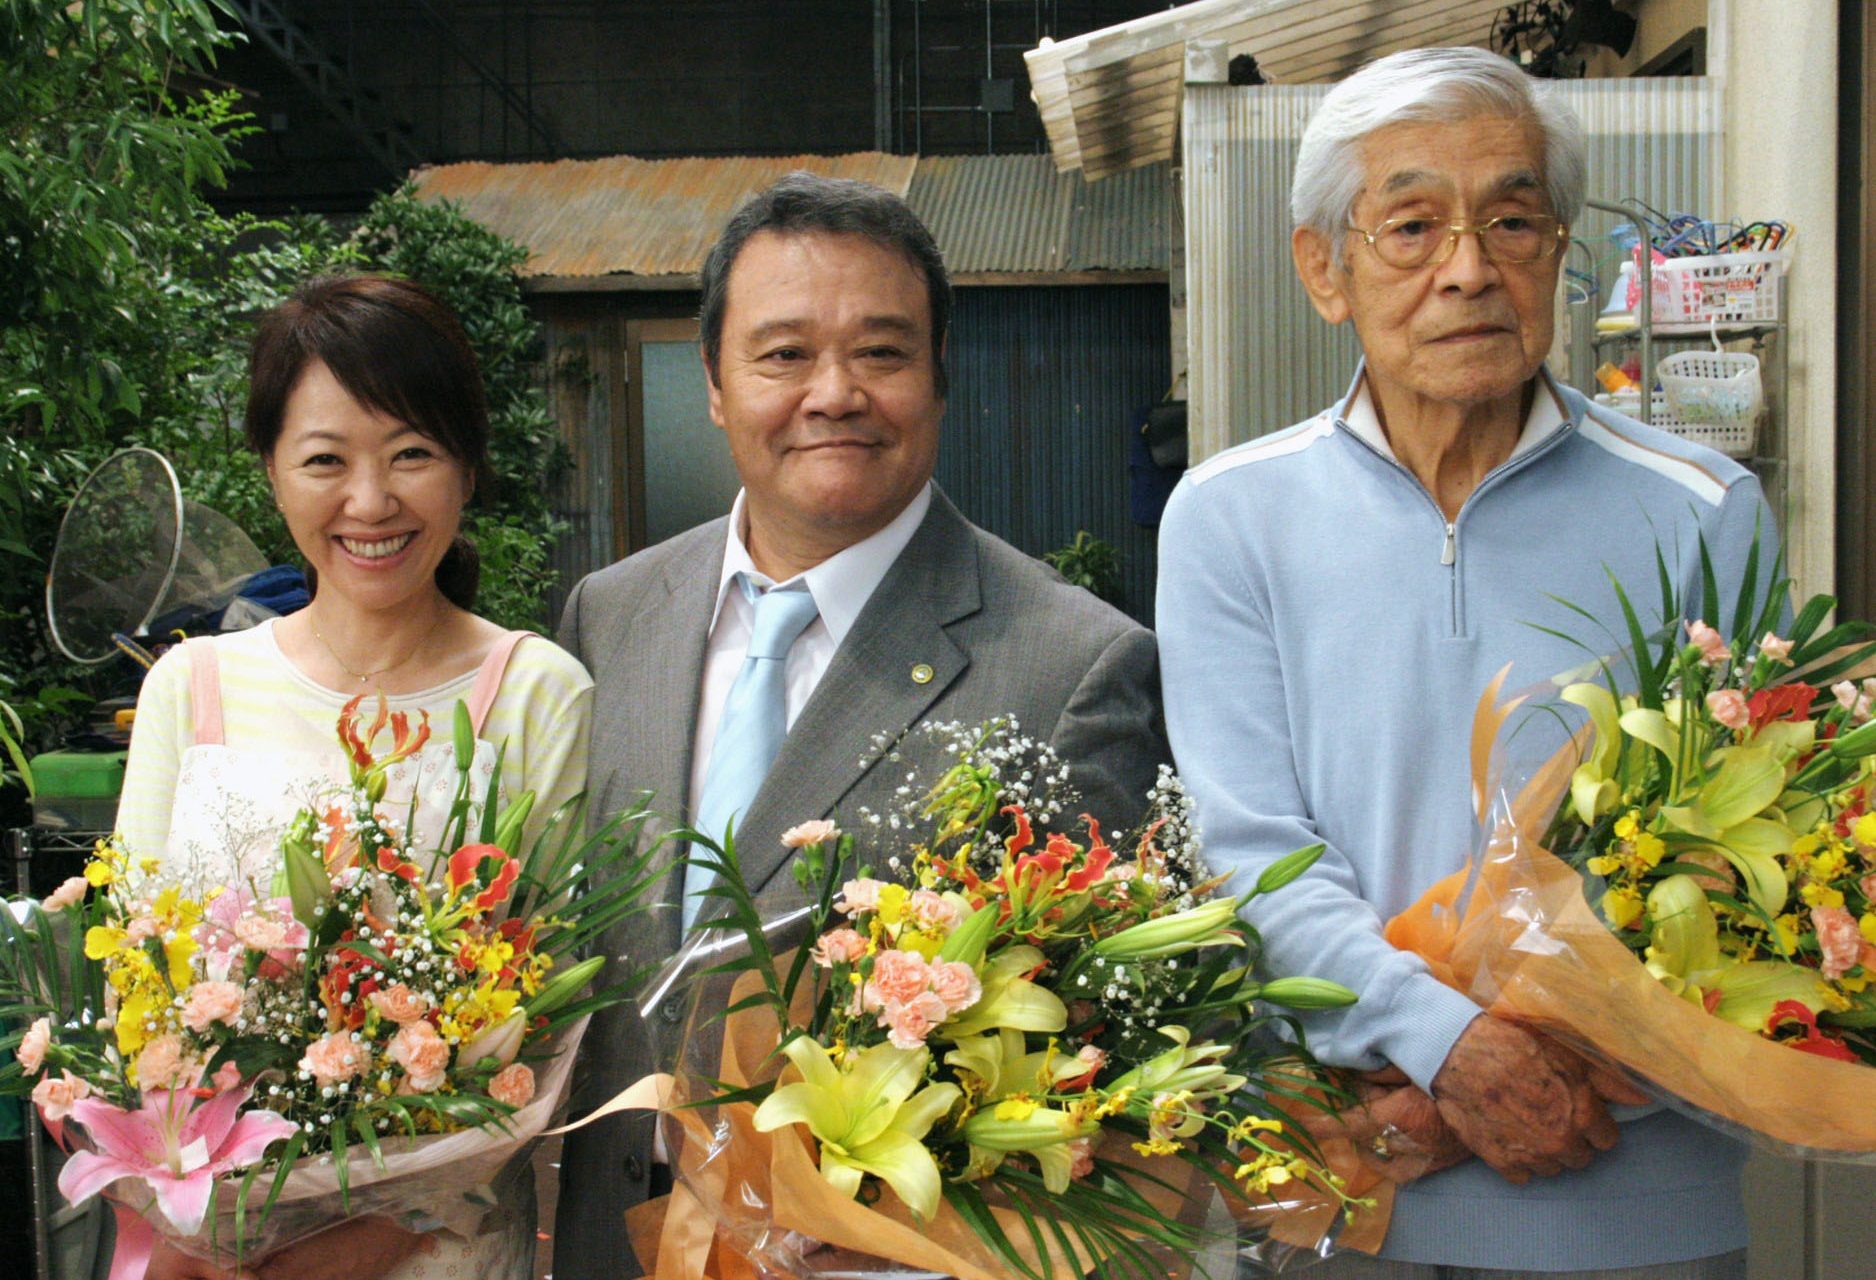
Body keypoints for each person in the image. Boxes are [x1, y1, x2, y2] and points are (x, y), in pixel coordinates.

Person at [1156, 47, 1769, 1280]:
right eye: (1412, 225)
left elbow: (1745, 873)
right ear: (1322, 267)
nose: (1468, 269)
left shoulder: (1704, 507)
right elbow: (1249, 852)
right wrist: (1444, 1049)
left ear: (1558, 249)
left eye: (1511, 218)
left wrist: (1478, 1089)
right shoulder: (1227, 517)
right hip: (1352, 1192)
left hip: (1631, 1204)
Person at [553, 172, 1170, 1278]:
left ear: (939, 378)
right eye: (783, 353)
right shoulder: (612, 612)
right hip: (609, 1240)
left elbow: (1103, 1056)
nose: (832, 392)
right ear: (713, 381)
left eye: (881, 352)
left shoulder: (1072, 662)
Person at [116, 274, 594, 1280]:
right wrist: (204, 1232)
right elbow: (138, 998)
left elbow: (540, 1027)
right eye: (326, 459)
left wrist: (362, 1240)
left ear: (468, 466)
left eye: (412, 453)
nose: (370, 501)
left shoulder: (534, 692)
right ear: (273, 472)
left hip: (436, 1252)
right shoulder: (191, 686)